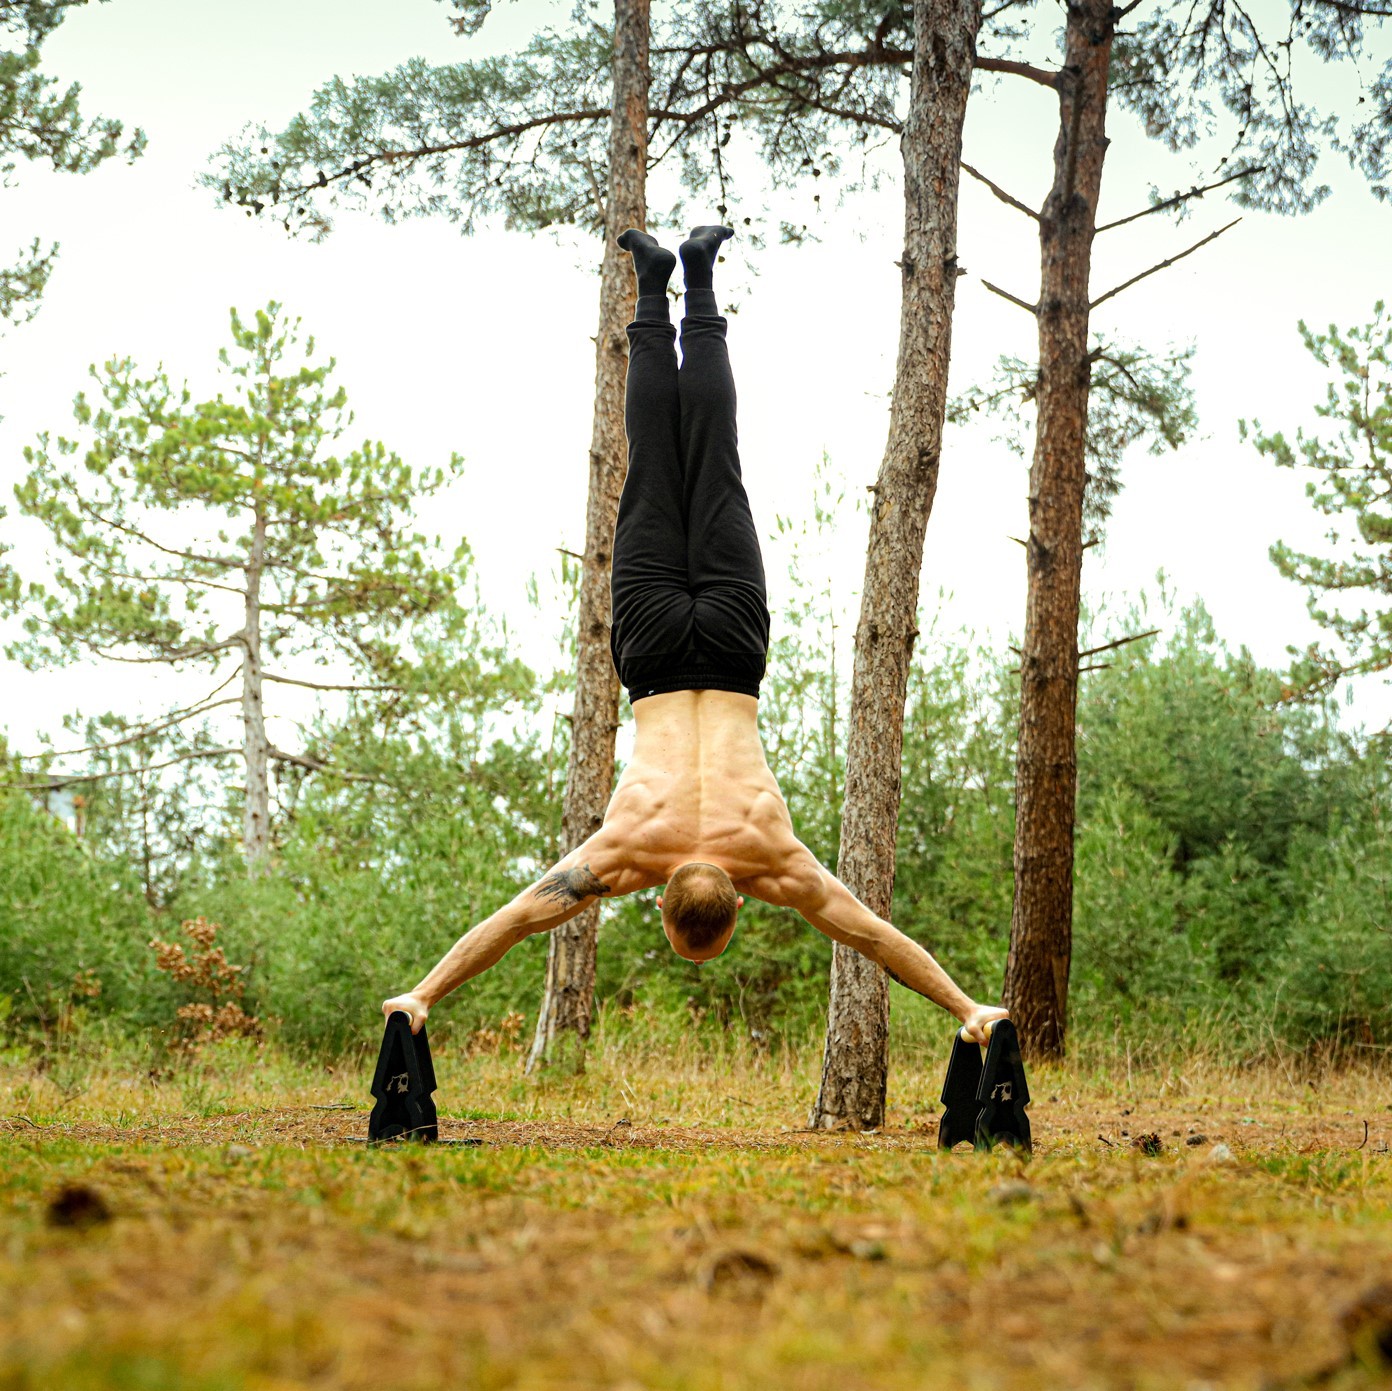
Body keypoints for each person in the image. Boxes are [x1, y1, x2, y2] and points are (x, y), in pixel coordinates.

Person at [382, 225, 1009, 1046]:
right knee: (652, 462)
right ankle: (654, 283)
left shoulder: (768, 856)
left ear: (733, 904)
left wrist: (971, 1006)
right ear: (663, 899)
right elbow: (516, 920)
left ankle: (701, 278)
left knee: (715, 462)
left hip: (733, 646)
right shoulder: (630, 852)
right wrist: (420, 993)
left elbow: (875, 936)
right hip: (650, 653)